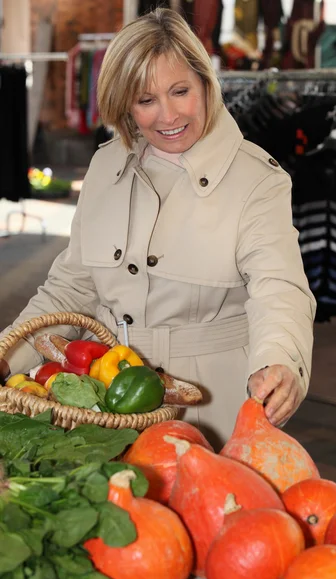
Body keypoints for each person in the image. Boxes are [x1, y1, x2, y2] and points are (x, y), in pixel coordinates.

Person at [0, 8, 316, 449]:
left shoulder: (258, 180)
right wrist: (6, 356)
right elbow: (71, 288)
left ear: (206, 82)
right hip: (103, 403)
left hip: (208, 410)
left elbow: (280, 292)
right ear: (125, 104)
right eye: (146, 100)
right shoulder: (105, 164)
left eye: (180, 91)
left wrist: (281, 362)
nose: (167, 116)